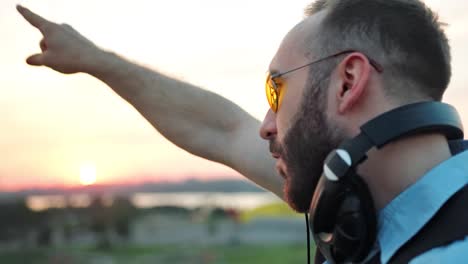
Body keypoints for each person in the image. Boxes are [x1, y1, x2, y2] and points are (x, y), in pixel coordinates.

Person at [17, 0, 468, 263]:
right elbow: (222, 129)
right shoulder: (356, 193)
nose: (265, 125)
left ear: (348, 82)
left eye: (276, 89)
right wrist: (94, 60)